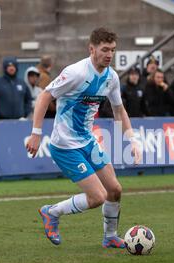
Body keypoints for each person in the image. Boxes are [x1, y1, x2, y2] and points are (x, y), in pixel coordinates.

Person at [25, 27, 141, 248]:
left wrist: (132, 140)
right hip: (65, 146)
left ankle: (110, 237)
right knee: (97, 197)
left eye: (113, 50)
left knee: (115, 190)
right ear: (92, 49)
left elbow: (119, 110)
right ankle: (51, 212)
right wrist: (36, 133)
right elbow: (44, 97)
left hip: (87, 141)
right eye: (105, 49)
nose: (109, 55)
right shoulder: (76, 72)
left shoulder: (111, 78)